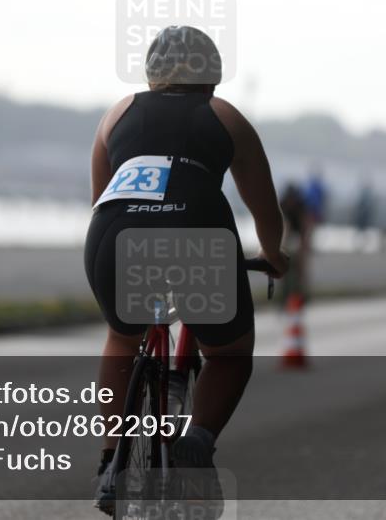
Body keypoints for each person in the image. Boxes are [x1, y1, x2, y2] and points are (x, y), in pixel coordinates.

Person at [84, 25, 288, 513]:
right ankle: (197, 440)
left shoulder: (117, 114)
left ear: (150, 76)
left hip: (115, 237)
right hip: (198, 234)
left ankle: (112, 462)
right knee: (230, 353)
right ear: (212, 77)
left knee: (121, 336)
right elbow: (264, 208)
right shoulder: (224, 116)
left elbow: (99, 199)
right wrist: (274, 254)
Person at [279, 182, 309, 302]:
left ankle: (300, 296)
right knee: (284, 271)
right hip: (286, 238)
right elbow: (283, 225)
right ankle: (284, 297)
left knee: (299, 271)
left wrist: (303, 246)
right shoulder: (283, 204)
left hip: (297, 238)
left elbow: (304, 226)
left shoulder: (300, 205)